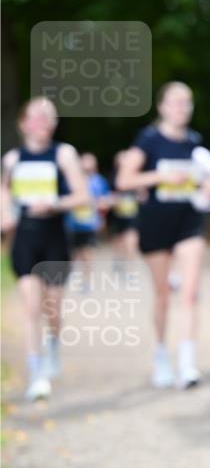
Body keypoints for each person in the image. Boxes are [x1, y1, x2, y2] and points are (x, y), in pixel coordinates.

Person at [116, 81, 210, 389]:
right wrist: (160, 176)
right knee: (163, 293)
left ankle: (187, 363)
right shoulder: (148, 140)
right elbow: (124, 179)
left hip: (189, 222)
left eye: (186, 102)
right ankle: (161, 355)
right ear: (162, 107)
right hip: (156, 223)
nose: (181, 108)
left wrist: (208, 185)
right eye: (175, 102)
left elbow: (207, 178)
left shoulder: (194, 143)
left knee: (189, 292)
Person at [0, 96, 89, 401]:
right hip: (25, 240)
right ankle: (36, 373)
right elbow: (4, 194)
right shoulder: (12, 160)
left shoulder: (63, 155)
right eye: (37, 117)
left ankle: (53, 345)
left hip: (54, 239)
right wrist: (6, 215)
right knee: (31, 307)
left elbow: (82, 195)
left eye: (49, 118)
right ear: (23, 123)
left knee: (52, 308)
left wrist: (55, 204)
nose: (44, 123)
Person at [66, 152, 112, 286]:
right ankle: (72, 277)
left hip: (90, 224)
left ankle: (87, 280)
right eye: (84, 161)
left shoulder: (99, 181)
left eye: (90, 162)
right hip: (71, 224)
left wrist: (102, 217)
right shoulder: (72, 180)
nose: (87, 165)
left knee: (88, 253)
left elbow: (105, 200)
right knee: (72, 253)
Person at [106, 150, 140, 271]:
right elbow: (107, 195)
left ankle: (131, 267)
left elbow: (142, 194)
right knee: (118, 241)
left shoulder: (135, 175)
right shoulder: (112, 177)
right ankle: (118, 261)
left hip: (132, 215)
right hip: (117, 214)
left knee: (131, 241)